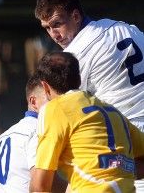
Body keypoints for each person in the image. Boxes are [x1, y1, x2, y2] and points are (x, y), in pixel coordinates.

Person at [34, 0, 144, 130]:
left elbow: (62, 110)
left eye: (57, 24)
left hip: (128, 133)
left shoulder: (73, 56)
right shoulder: (126, 28)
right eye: (47, 28)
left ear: (76, 16)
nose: (54, 34)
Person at [30, 51, 144, 193]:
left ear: (45, 86)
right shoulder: (112, 112)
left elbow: (40, 186)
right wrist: (117, 169)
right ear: (79, 79)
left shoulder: (54, 109)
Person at [0, 74, 68, 193]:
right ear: (33, 101)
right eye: (52, 100)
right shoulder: (39, 132)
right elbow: (41, 185)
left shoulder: (3, 138)